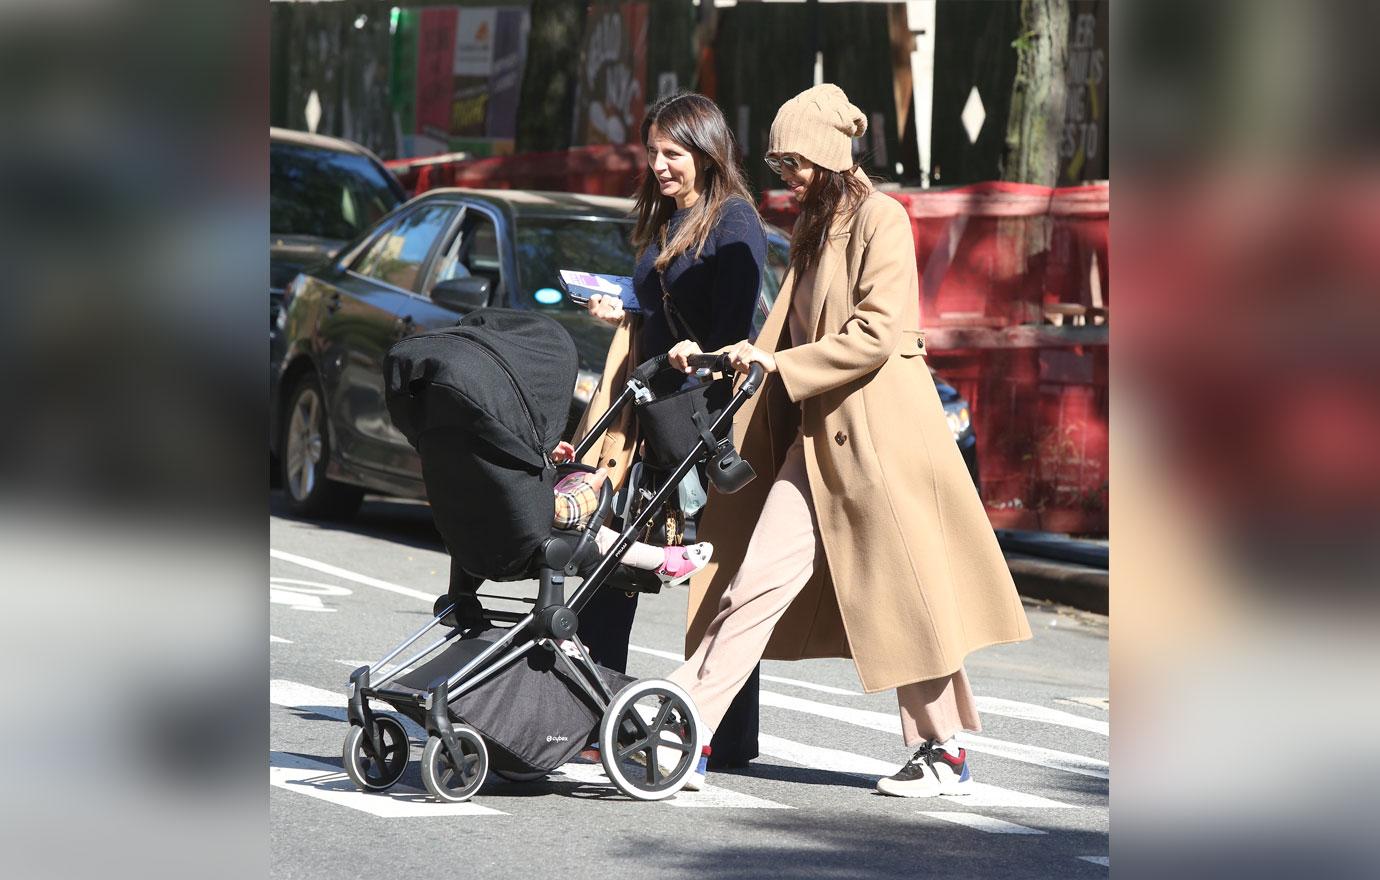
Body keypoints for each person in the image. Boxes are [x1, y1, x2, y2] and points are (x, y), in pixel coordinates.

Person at [664, 84, 1033, 794]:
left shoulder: (879, 219)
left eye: (795, 161)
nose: (786, 176)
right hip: (820, 439)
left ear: (830, 154)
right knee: (754, 582)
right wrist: (728, 356)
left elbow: (877, 330)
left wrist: (780, 364)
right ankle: (691, 726)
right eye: (778, 164)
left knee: (907, 595)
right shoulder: (817, 224)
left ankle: (942, 748)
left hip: (880, 440)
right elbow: (785, 335)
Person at [571, 92, 768, 769]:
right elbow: (656, 309)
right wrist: (623, 308)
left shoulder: (734, 221)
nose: (658, 165)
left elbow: (733, 330)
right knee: (610, 564)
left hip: (703, 426)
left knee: (716, 582)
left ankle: (728, 732)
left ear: (708, 154)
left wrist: (697, 357)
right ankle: (594, 712)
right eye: (652, 152)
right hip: (651, 420)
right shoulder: (668, 219)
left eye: (673, 154)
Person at [549, 441, 712, 587]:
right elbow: (562, 513)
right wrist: (589, 488)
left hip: (541, 523)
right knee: (591, 540)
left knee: (593, 536)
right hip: (545, 531)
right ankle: (664, 562)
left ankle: (663, 561)